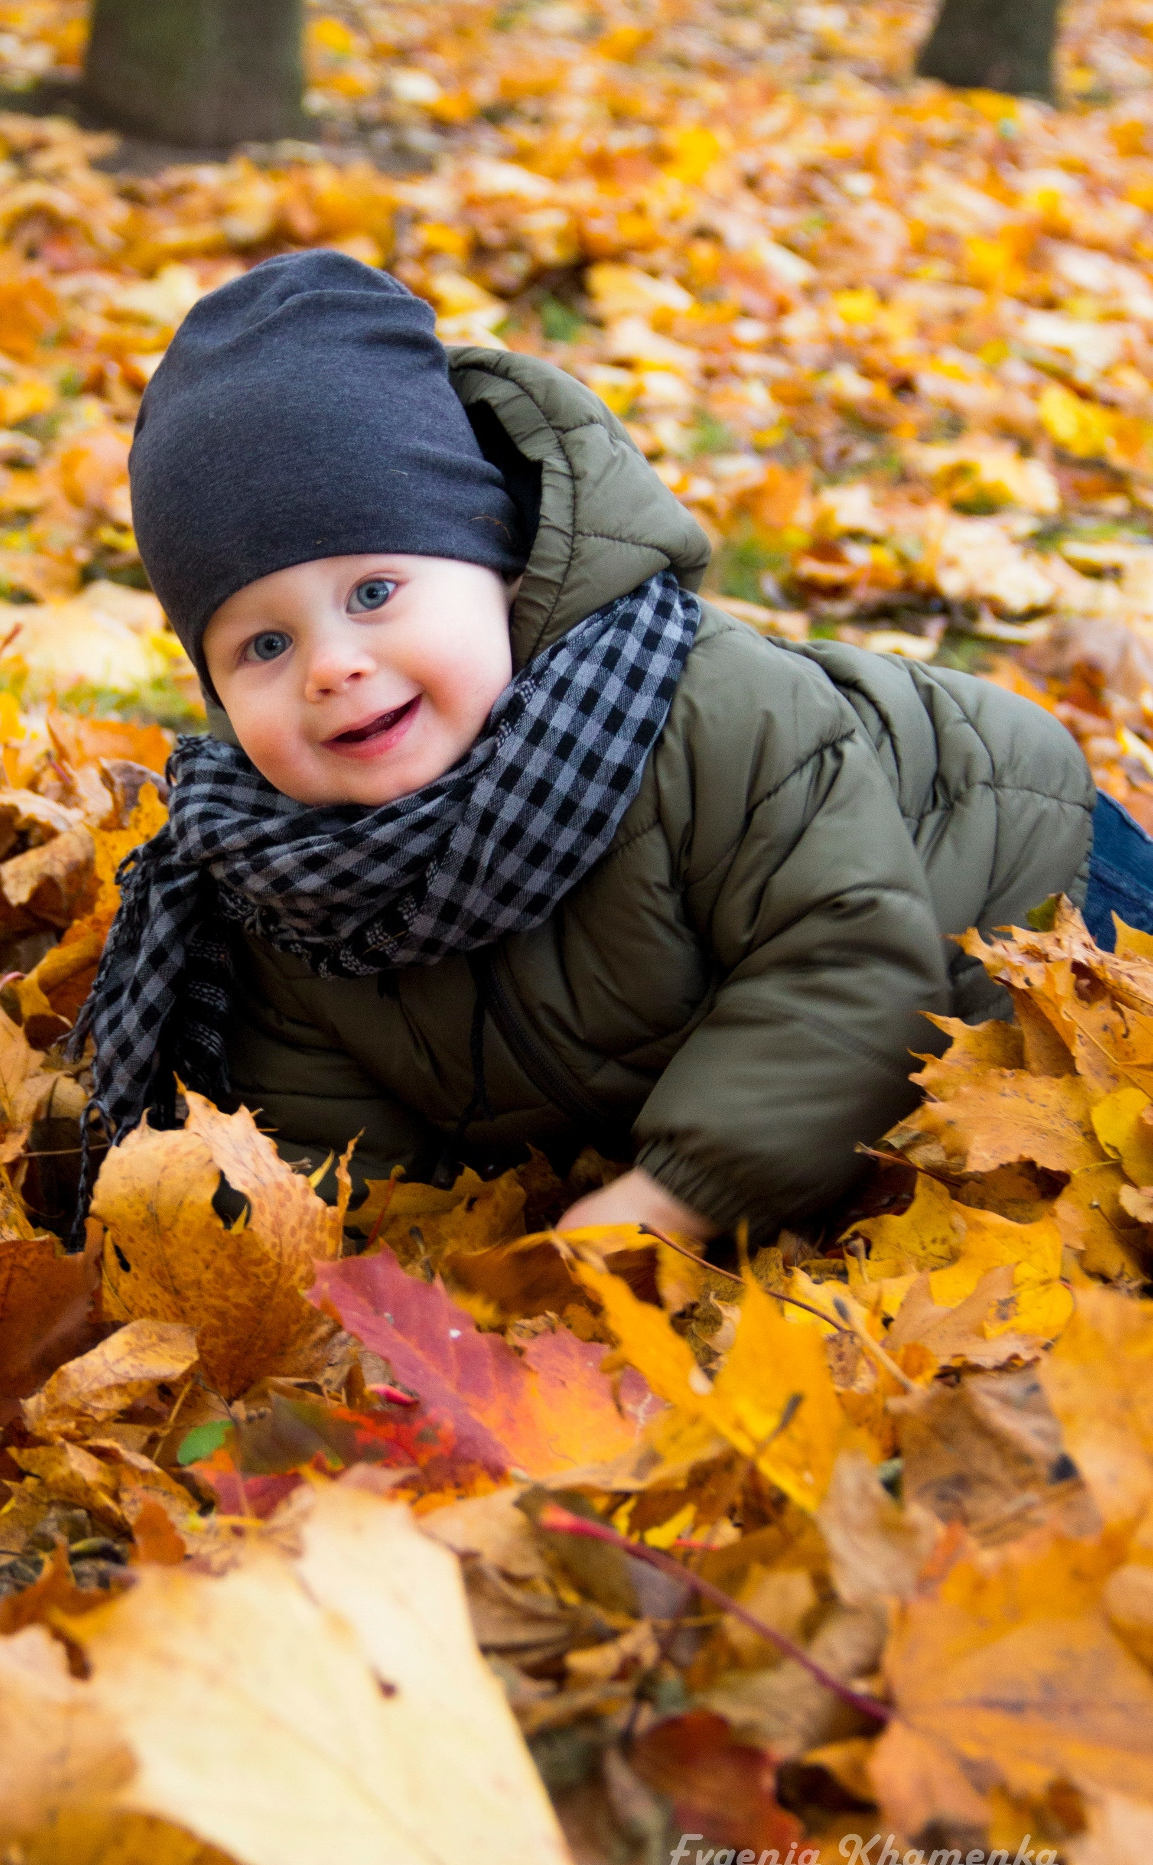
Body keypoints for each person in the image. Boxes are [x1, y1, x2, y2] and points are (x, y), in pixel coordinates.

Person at [75, 248, 1113, 1247]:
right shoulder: (283, 879)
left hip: (1019, 885)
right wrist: (305, 1268)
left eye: (375, 593)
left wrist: (672, 1200)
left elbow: (845, 962)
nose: (331, 666)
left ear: (500, 567)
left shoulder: (704, 710)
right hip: (785, 1046)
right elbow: (317, 1128)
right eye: (265, 643)